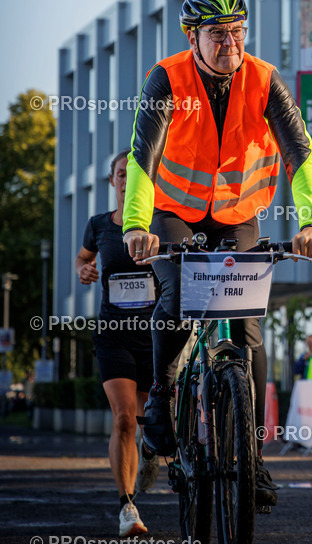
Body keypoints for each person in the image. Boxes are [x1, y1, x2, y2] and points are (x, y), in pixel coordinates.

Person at [121, 0, 312, 509]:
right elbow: (143, 158)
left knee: (249, 333)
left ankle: (252, 461)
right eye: (218, 34)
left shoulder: (263, 79)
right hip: (172, 215)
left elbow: (300, 153)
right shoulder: (166, 78)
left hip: (238, 216)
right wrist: (136, 226)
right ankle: (163, 398)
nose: (230, 43)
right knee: (177, 299)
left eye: (237, 32)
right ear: (193, 38)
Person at [75, 151, 159, 538]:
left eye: (134, 174)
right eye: (121, 174)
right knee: (124, 417)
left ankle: (151, 450)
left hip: (157, 336)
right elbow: (82, 259)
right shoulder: (98, 225)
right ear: (112, 181)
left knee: (147, 421)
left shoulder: (163, 225)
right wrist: (84, 270)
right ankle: (127, 506)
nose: (126, 179)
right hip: (113, 333)